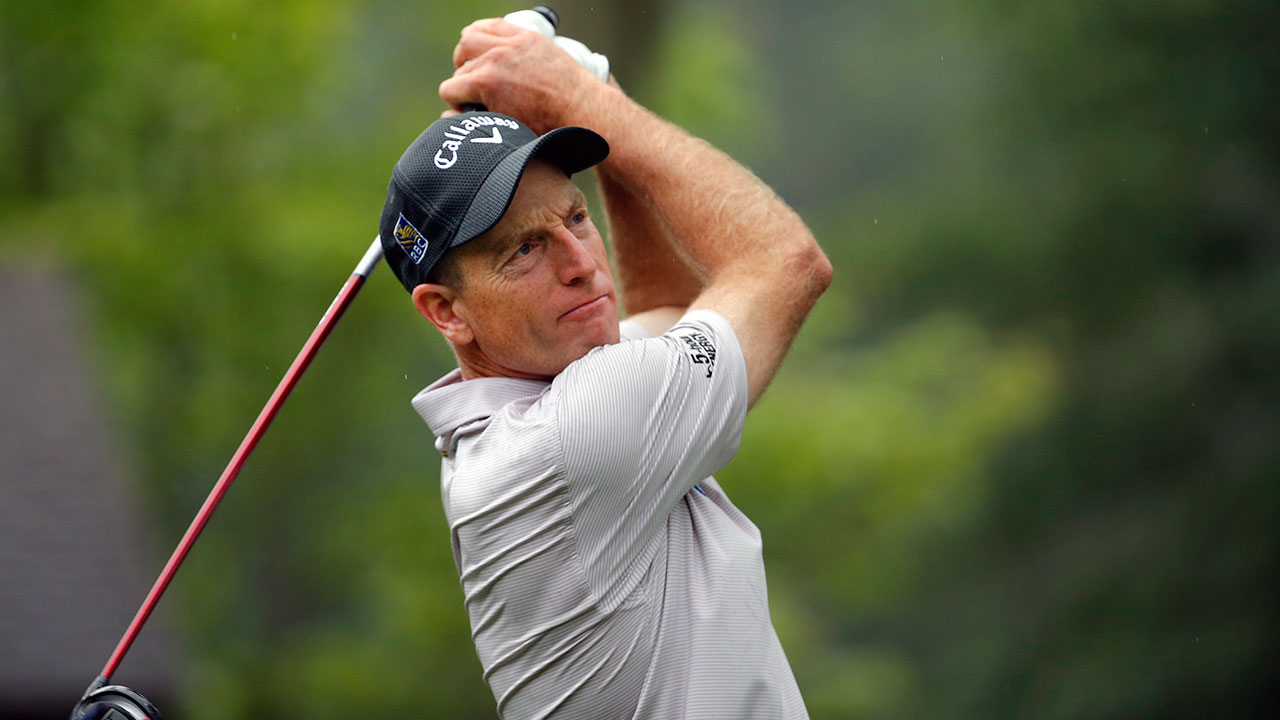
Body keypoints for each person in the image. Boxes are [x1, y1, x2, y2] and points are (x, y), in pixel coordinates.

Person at [376, 16, 832, 720]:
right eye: (524, 250)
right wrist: (584, 101)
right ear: (447, 311)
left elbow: (667, 305)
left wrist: (595, 92)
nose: (581, 265)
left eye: (575, 218)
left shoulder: (525, 410)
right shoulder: (571, 435)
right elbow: (787, 263)